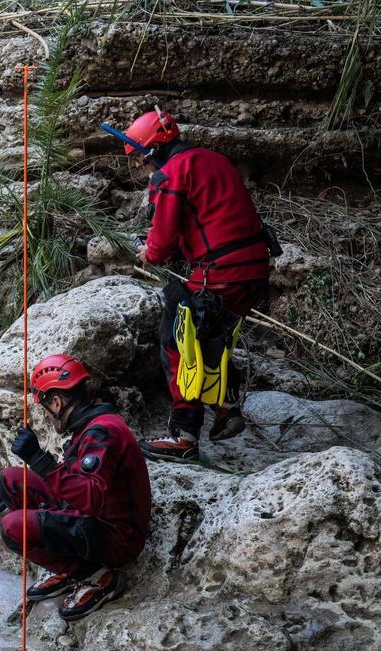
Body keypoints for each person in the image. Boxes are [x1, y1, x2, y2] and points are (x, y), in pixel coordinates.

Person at [120, 107, 277, 462]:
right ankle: (225, 410)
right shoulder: (213, 159)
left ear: (150, 150)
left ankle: (183, 435)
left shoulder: (171, 173)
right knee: (210, 338)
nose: (139, 166)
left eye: (138, 158)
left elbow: (160, 249)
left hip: (218, 272)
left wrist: (148, 250)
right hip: (253, 269)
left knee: (175, 336)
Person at [0, 354, 151, 621]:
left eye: (45, 410)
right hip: (94, 517)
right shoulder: (91, 426)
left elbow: (91, 498)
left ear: (57, 402)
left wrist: (40, 460)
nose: (47, 418)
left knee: (13, 528)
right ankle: (65, 564)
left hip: (116, 537)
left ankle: (96, 576)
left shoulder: (101, 433)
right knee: (12, 480)